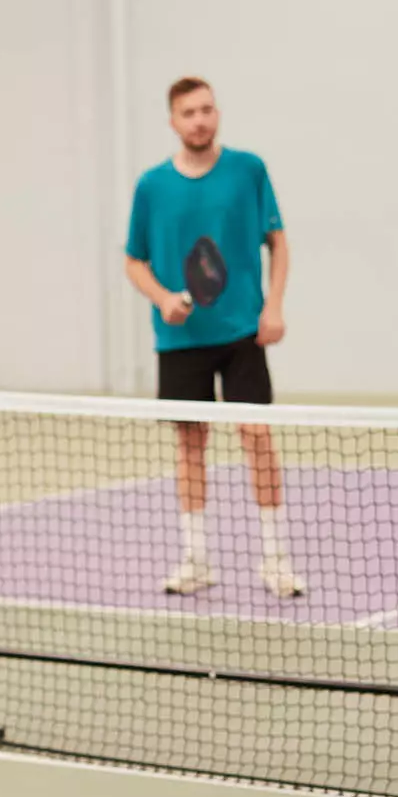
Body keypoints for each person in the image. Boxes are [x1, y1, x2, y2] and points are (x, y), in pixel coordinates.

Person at [123, 76, 302, 597]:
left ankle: (275, 560)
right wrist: (161, 298)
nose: (200, 119)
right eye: (189, 112)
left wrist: (273, 305)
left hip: (244, 331)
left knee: (257, 438)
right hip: (180, 340)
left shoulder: (249, 170)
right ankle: (196, 559)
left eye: (207, 109)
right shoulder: (151, 186)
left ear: (216, 113)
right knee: (190, 444)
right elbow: (134, 260)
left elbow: (279, 242)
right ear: (173, 121)